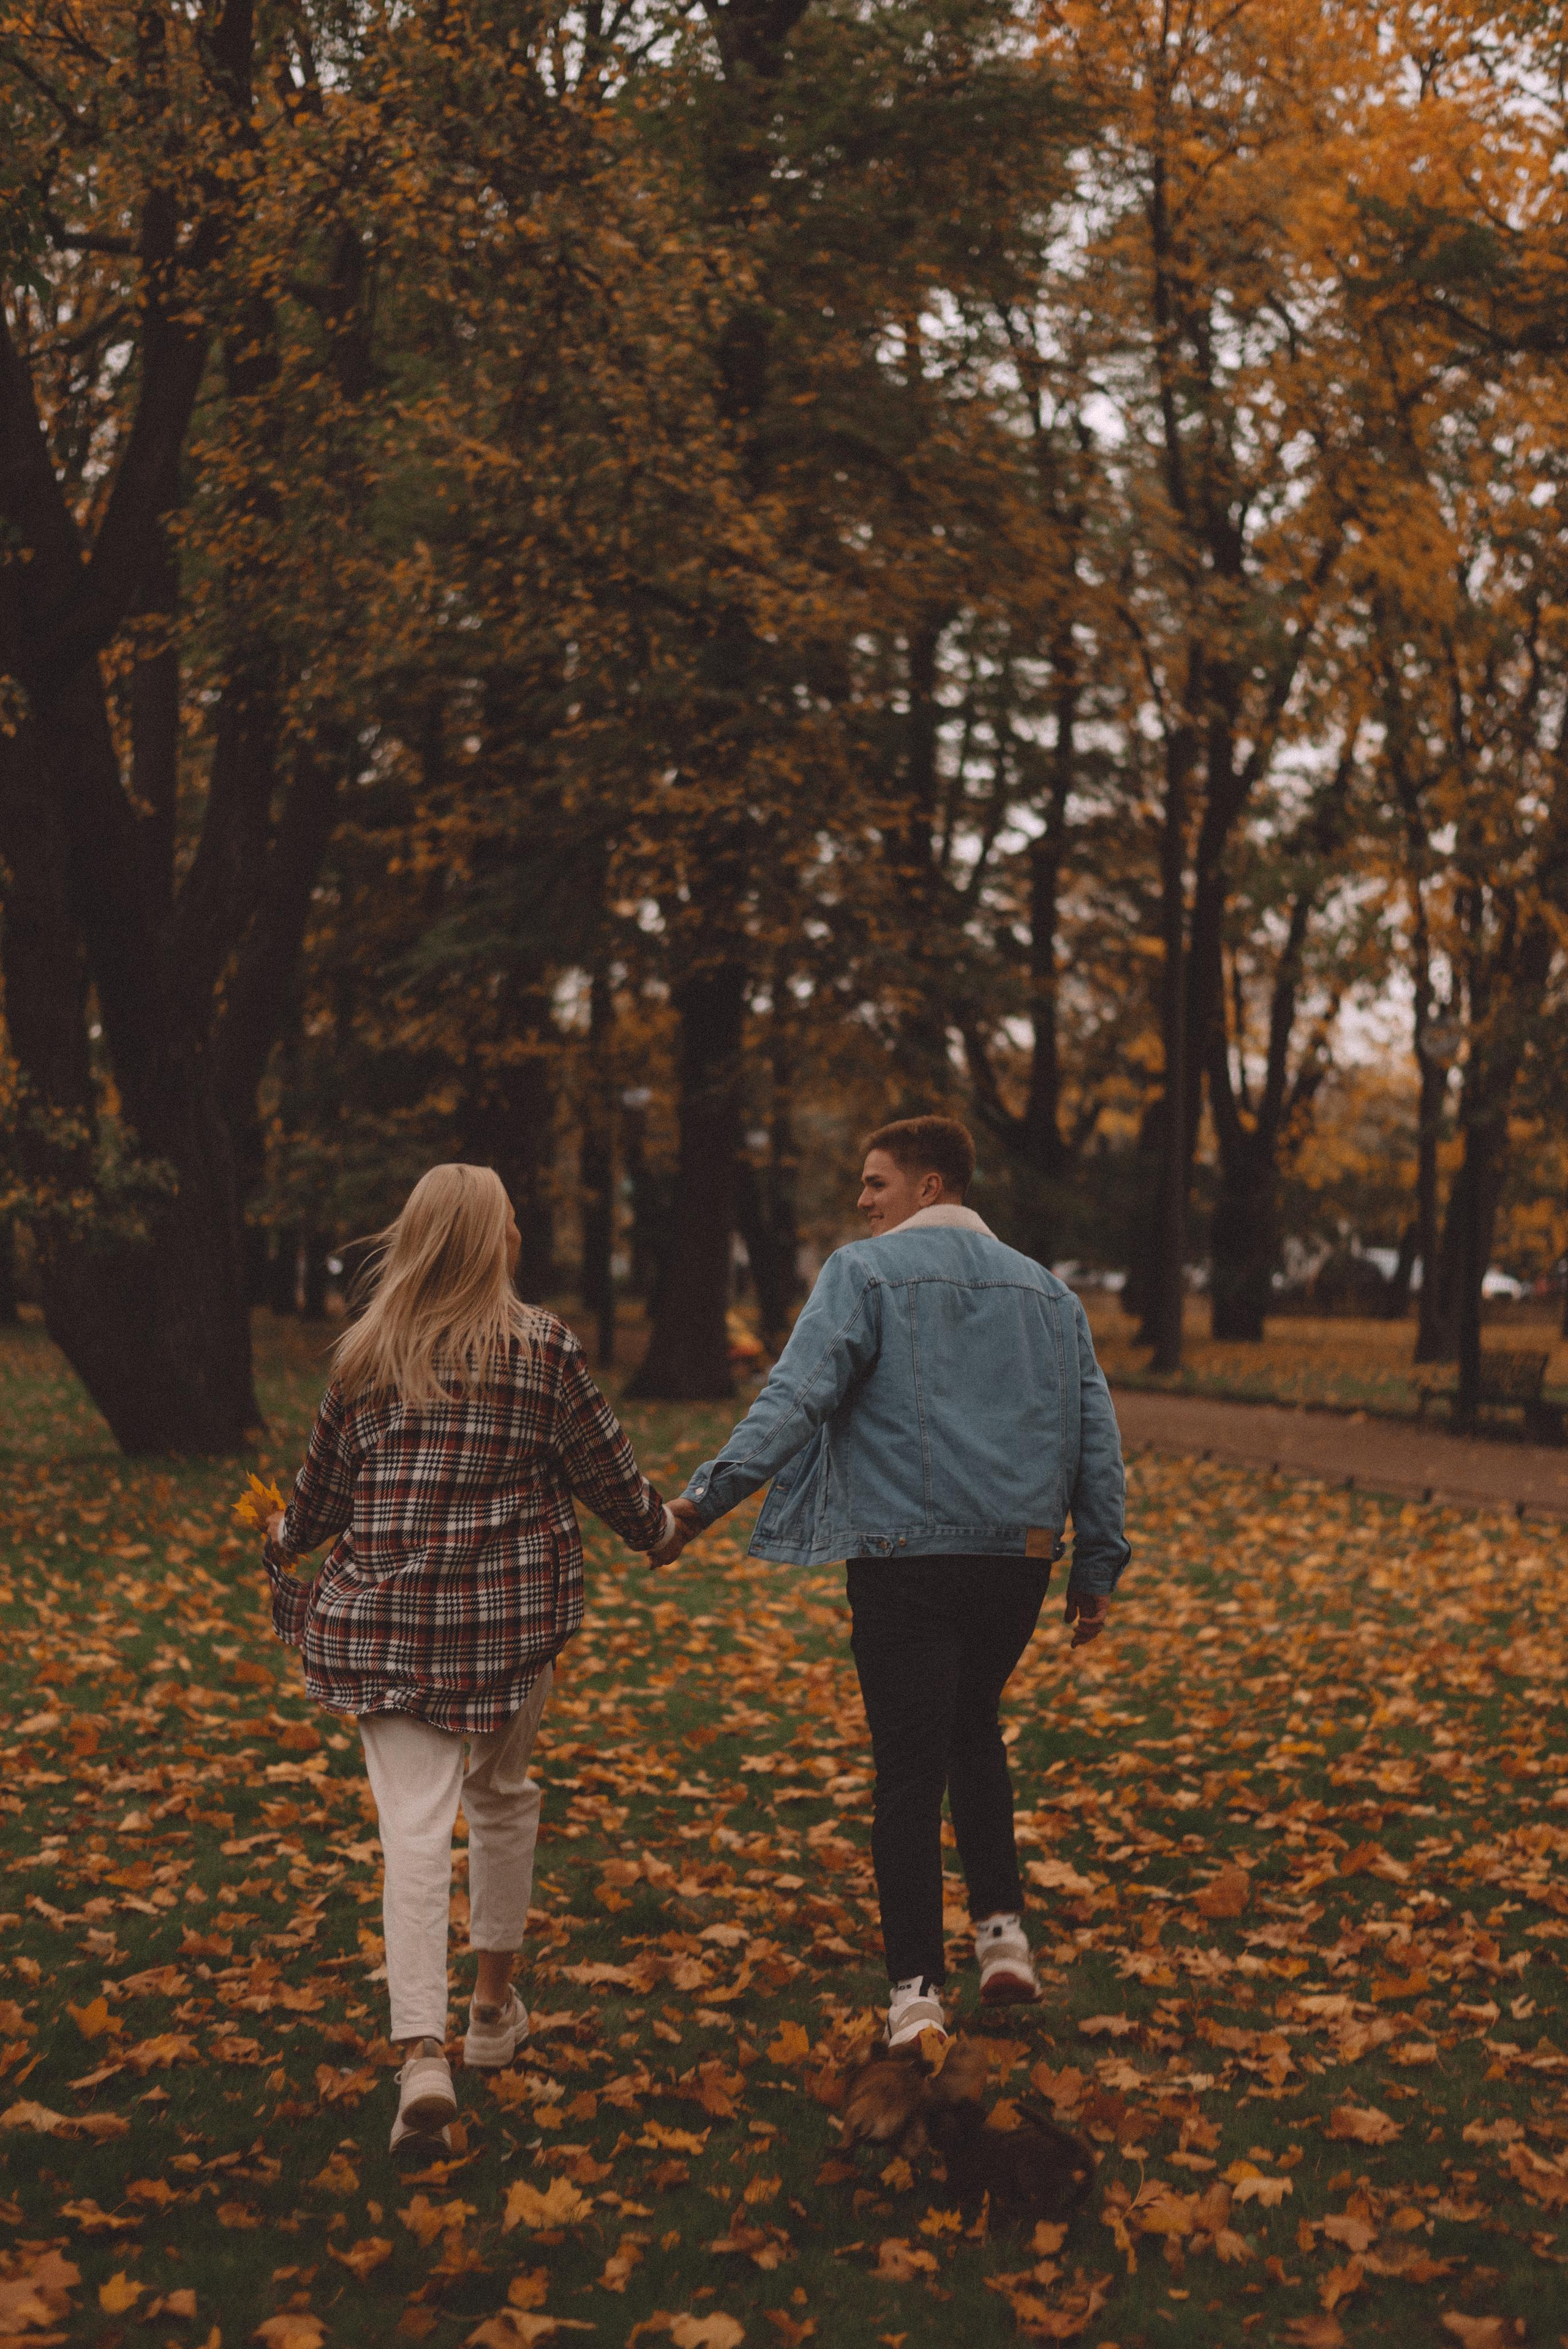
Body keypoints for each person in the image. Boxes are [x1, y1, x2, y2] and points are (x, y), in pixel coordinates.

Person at [653, 1115, 1129, 2049]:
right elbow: (1093, 1429)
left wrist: (701, 1504)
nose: (863, 1200)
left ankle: (915, 1991)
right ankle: (1003, 1935)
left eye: (877, 1182)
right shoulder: (1049, 1293)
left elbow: (797, 1393)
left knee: (909, 1768)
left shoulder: (863, 1274)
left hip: (907, 1560)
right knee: (972, 1729)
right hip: (1017, 1562)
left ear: (931, 1186)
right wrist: (1096, 1561)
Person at [257, 1163, 675, 2156]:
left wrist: (281, 1535)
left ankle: (422, 2057)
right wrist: (663, 1527)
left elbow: (317, 1504)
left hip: (387, 1624)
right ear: (490, 1240)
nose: (522, 1231)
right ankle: (490, 2011)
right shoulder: (543, 1350)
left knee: (414, 1833)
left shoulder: (364, 1356)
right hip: (507, 1630)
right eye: (514, 1220)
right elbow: (611, 1477)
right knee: (501, 1796)